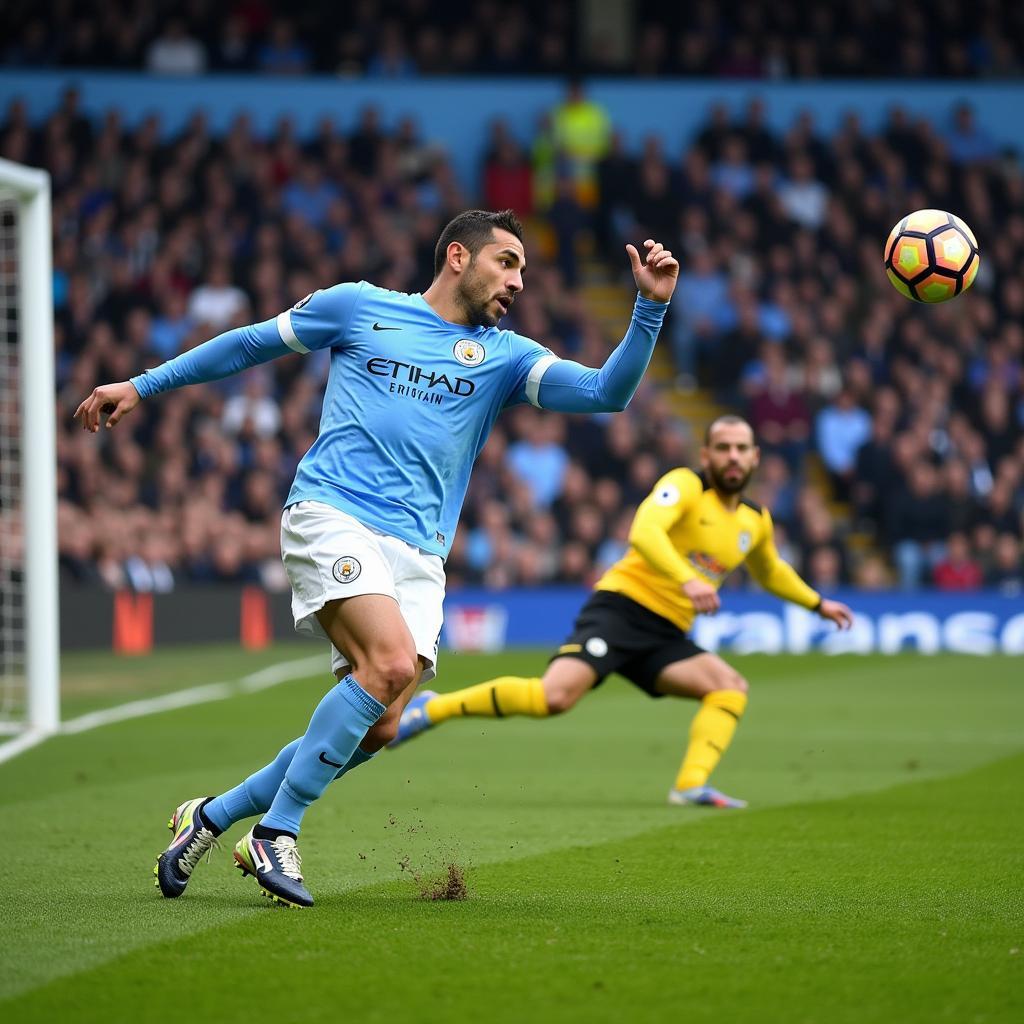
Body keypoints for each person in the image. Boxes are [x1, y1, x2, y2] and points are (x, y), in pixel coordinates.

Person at [75, 209, 679, 908]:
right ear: (458, 256)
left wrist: (649, 309)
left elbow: (608, 393)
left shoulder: (507, 357)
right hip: (333, 513)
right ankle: (277, 832)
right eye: (506, 262)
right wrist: (142, 386)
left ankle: (208, 817)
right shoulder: (359, 307)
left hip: (420, 554)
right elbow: (247, 346)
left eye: (522, 270)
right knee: (389, 665)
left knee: (382, 721)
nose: (518, 280)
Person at [390, 416, 853, 809]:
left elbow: (770, 571)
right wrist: (688, 578)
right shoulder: (686, 485)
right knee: (554, 698)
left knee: (729, 687)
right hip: (621, 610)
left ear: (755, 458)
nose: (733, 457)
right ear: (707, 455)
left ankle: (691, 785)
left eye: (742, 449)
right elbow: (645, 532)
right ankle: (437, 709)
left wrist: (817, 603)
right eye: (723, 449)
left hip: (666, 634)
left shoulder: (755, 520)